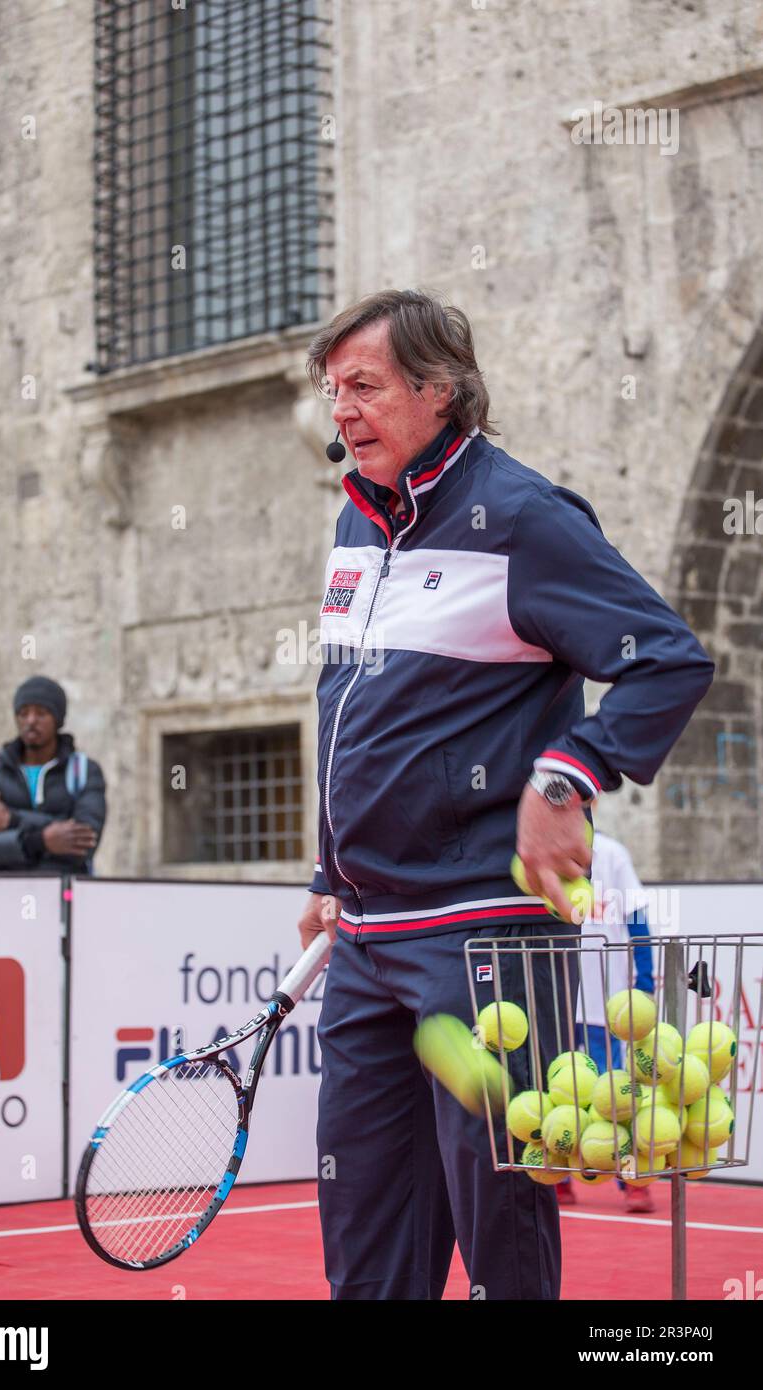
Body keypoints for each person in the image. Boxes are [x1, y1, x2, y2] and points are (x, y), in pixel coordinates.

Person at [296, 289, 714, 1301]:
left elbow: (664, 658)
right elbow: (346, 710)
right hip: (365, 939)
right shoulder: (356, 526)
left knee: (499, 1223)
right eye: (330, 389)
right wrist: (326, 866)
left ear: (439, 390)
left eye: (364, 386)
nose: (340, 410)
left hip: (482, 939)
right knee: (361, 1221)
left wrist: (565, 775)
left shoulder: (523, 518)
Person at [554, 829, 655, 1213]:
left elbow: (637, 917)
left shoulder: (612, 853)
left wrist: (643, 980)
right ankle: (558, 1177)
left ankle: (632, 1180)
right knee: (558, 1087)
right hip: (557, 993)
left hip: (604, 1000)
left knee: (616, 1094)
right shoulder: (543, 848)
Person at [0, 675, 105, 875]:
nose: (30, 721)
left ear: (58, 719)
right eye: (23, 713)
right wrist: (40, 841)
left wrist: (11, 821)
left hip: (60, 895)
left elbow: (84, 842)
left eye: (41, 713)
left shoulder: (83, 771)